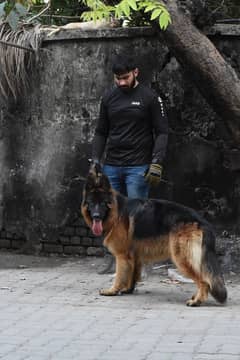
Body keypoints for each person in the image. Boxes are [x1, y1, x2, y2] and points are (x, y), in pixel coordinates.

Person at [92, 53, 168, 200]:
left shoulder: (150, 98)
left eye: (125, 77)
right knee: (112, 216)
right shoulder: (108, 98)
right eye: (117, 78)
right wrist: (95, 160)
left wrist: (157, 162)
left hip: (138, 168)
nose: (121, 82)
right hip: (111, 167)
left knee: (136, 215)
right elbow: (101, 132)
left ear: (135, 72)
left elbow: (162, 132)